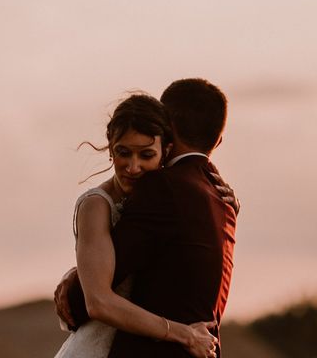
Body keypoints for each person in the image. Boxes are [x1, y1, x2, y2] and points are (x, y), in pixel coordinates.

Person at [54, 90, 237, 358]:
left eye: (146, 155)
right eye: (123, 153)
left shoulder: (177, 194)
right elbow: (97, 301)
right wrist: (183, 332)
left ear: (166, 148)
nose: (133, 166)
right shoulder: (96, 204)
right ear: (110, 149)